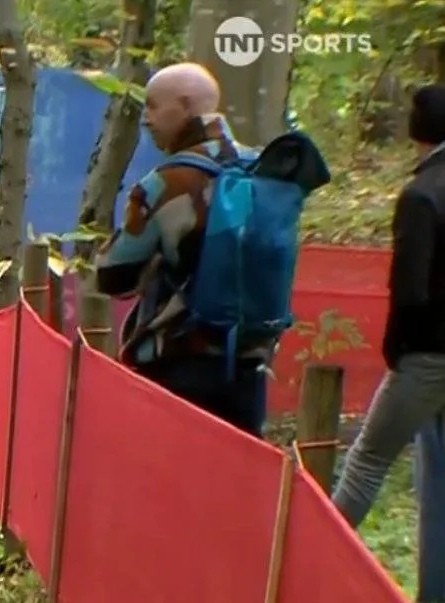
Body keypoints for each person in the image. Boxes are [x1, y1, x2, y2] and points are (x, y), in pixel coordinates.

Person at [94, 62, 323, 438]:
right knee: (239, 472)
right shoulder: (261, 168)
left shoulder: (167, 181)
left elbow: (112, 276)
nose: (146, 118)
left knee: (170, 472)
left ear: (185, 106)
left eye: (153, 106)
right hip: (249, 366)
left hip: (178, 367)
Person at [329, 86, 445, 544]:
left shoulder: (421, 195)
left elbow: (410, 288)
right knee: (437, 472)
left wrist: (398, 348)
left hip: (429, 351)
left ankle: (316, 556)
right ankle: (435, 582)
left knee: (367, 459)